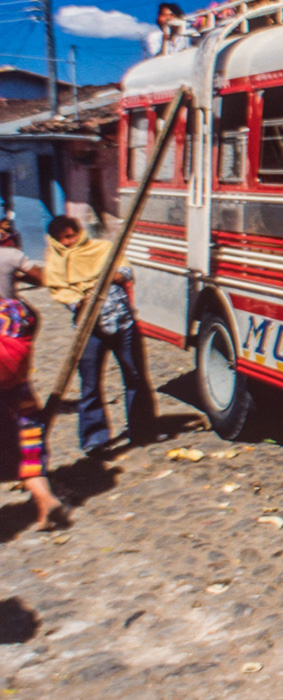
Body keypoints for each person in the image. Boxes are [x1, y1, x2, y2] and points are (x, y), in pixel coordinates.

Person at [43, 216, 154, 450]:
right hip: (88, 327)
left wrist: (116, 276)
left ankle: (143, 431)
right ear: (56, 240)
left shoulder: (102, 249)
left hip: (121, 321)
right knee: (91, 383)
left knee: (134, 376)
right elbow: (60, 290)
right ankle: (95, 439)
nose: (70, 241)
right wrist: (79, 300)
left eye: (73, 235)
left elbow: (125, 269)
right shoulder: (55, 261)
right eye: (64, 238)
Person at [0, 296, 65, 531]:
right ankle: (46, 503)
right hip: (21, 397)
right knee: (29, 457)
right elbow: (35, 318)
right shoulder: (13, 308)